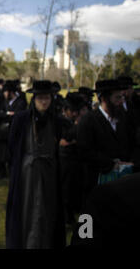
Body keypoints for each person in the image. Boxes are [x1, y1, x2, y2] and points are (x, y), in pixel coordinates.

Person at [5, 80, 65, 249]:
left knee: (47, 212)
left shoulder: (57, 121)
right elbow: (13, 146)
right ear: (34, 99)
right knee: (26, 211)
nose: (44, 102)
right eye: (40, 98)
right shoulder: (21, 119)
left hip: (49, 174)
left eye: (47, 98)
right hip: (27, 175)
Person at [77, 79, 135, 201]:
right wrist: (112, 164)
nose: (121, 102)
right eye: (117, 98)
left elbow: (132, 142)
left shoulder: (124, 118)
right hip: (96, 183)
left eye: (122, 98)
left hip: (121, 183)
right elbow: (85, 152)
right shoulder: (88, 121)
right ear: (104, 99)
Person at [59, 92, 88, 225]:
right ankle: (67, 217)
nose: (75, 114)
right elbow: (63, 142)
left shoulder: (80, 123)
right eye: (73, 111)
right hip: (65, 162)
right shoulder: (62, 122)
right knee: (65, 191)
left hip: (77, 162)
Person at [0, 80, 27, 179]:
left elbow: (18, 116)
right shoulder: (4, 102)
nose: (4, 94)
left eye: (5, 92)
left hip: (13, 132)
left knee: (12, 155)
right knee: (1, 154)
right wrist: (8, 114)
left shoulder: (20, 103)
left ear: (11, 92)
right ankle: (2, 173)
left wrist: (7, 114)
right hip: (2, 133)